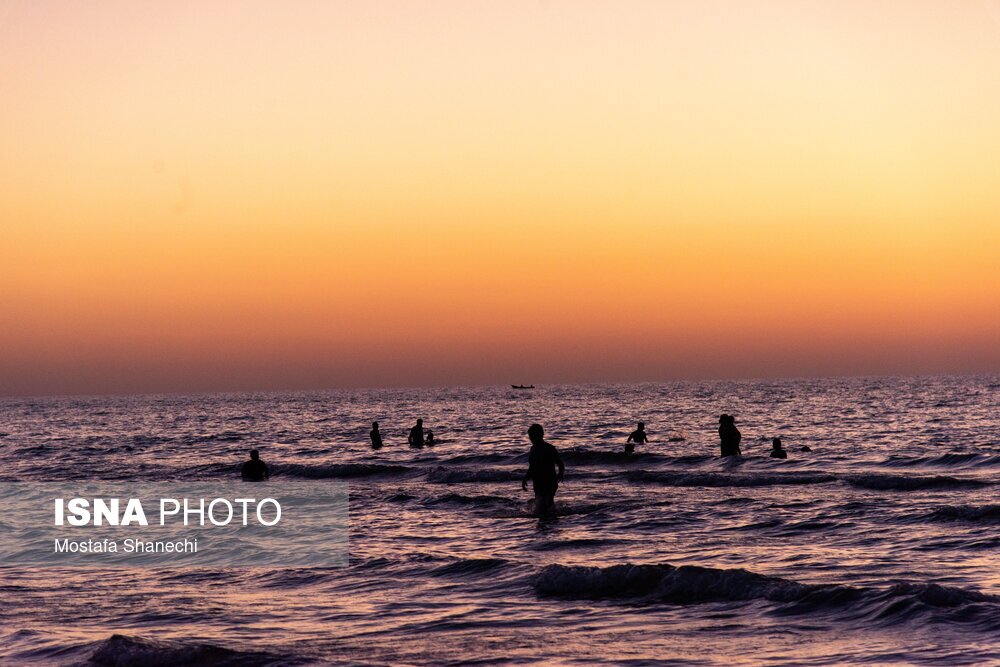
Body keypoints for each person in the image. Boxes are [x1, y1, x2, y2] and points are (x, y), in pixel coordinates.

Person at [521, 424, 565, 516]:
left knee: (547, 504)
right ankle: (548, 520)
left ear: (541, 435)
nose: (531, 439)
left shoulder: (549, 448)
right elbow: (532, 466)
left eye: (533, 436)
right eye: (530, 436)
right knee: (541, 507)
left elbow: (560, 463)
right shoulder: (533, 449)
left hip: (549, 481)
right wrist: (526, 478)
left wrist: (560, 474)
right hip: (538, 482)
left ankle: (552, 519)